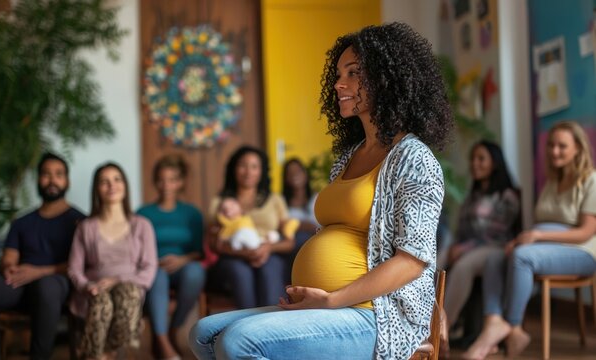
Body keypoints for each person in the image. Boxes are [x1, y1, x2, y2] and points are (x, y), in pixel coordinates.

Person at [189, 22, 453, 359]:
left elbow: (411, 262)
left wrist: (331, 299)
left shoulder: (414, 158)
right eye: (339, 73)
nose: (339, 84)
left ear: (387, 79)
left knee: (239, 342)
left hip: (378, 315)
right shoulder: (348, 156)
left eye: (354, 73)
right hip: (327, 308)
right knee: (205, 333)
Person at [463, 121, 596, 360]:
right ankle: (493, 322)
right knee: (496, 257)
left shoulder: (591, 180)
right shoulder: (552, 183)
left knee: (522, 258)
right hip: (548, 250)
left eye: (562, 146)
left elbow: (585, 232)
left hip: (582, 252)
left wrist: (537, 235)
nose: (554, 151)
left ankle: (510, 325)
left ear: (578, 148)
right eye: (551, 145)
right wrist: (522, 239)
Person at [0, 152, 85, 360]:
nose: (52, 180)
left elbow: (83, 265)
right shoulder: (22, 222)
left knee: (46, 286)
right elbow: (9, 258)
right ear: (38, 179)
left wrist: (39, 272)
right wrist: (9, 268)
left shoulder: (80, 222)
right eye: (46, 174)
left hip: (57, 286)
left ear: (67, 181)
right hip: (21, 284)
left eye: (58, 174)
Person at [67, 162, 157, 360]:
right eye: (104, 182)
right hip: (94, 291)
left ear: (125, 185)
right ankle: (99, 354)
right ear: (97, 189)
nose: (112, 185)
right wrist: (87, 286)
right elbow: (74, 269)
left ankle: (100, 351)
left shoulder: (142, 225)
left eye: (117, 179)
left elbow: (149, 268)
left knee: (128, 293)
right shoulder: (86, 227)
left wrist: (116, 279)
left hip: (129, 291)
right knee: (101, 303)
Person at [444, 141, 520, 335]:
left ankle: (441, 328)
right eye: (472, 159)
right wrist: (455, 246)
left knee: (463, 266)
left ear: (494, 163)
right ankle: (419, 318)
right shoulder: (472, 196)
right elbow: (461, 229)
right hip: (468, 247)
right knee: (435, 260)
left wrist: (464, 248)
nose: (474, 163)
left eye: (481, 158)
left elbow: (494, 234)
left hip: (497, 247)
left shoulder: (507, 196)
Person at [206, 145, 296, 309]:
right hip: (231, 258)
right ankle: (247, 330)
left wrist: (267, 248)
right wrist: (242, 252)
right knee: (240, 271)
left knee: (271, 266)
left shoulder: (274, 200)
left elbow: (289, 241)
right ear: (234, 169)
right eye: (243, 165)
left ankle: (271, 328)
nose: (248, 171)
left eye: (254, 166)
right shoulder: (219, 202)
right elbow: (213, 242)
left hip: (269, 253)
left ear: (261, 171)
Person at [137, 155, 206, 360]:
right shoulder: (143, 213)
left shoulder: (192, 213)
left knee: (196, 271)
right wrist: (153, 262)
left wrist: (182, 260)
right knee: (157, 277)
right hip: (153, 267)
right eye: (161, 179)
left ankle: (173, 328)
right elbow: (136, 251)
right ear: (155, 181)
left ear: (180, 182)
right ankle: (163, 342)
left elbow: (198, 251)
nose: (166, 185)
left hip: (183, 266)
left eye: (172, 179)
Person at [282, 158, 320, 250]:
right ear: (286, 178)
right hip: (296, 245)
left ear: (305, 174)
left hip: (320, 240)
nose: (294, 174)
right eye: (290, 172)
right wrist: (301, 225)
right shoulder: (282, 202)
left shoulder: (318, 197)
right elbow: (283, 226)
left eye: (298, 171)